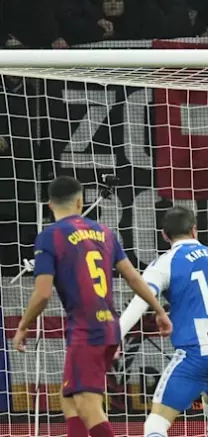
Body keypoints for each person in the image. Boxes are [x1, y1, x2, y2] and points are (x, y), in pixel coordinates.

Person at [12, 176, 172, 437]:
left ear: (50, 205)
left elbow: (42, 294)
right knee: (69, 397)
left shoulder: (50, 236)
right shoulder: (104, 232)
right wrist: (160, 310)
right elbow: (133, 277)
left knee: (88, 406)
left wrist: (22, 326)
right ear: (80, 201)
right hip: (108, 327)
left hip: (87, 331)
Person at [118, 206, 208, 437]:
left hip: (197, 354)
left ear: (164, 235)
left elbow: (138, 305)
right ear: (194, 230)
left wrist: (114, 337)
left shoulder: (164, 264)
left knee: (155, 423)